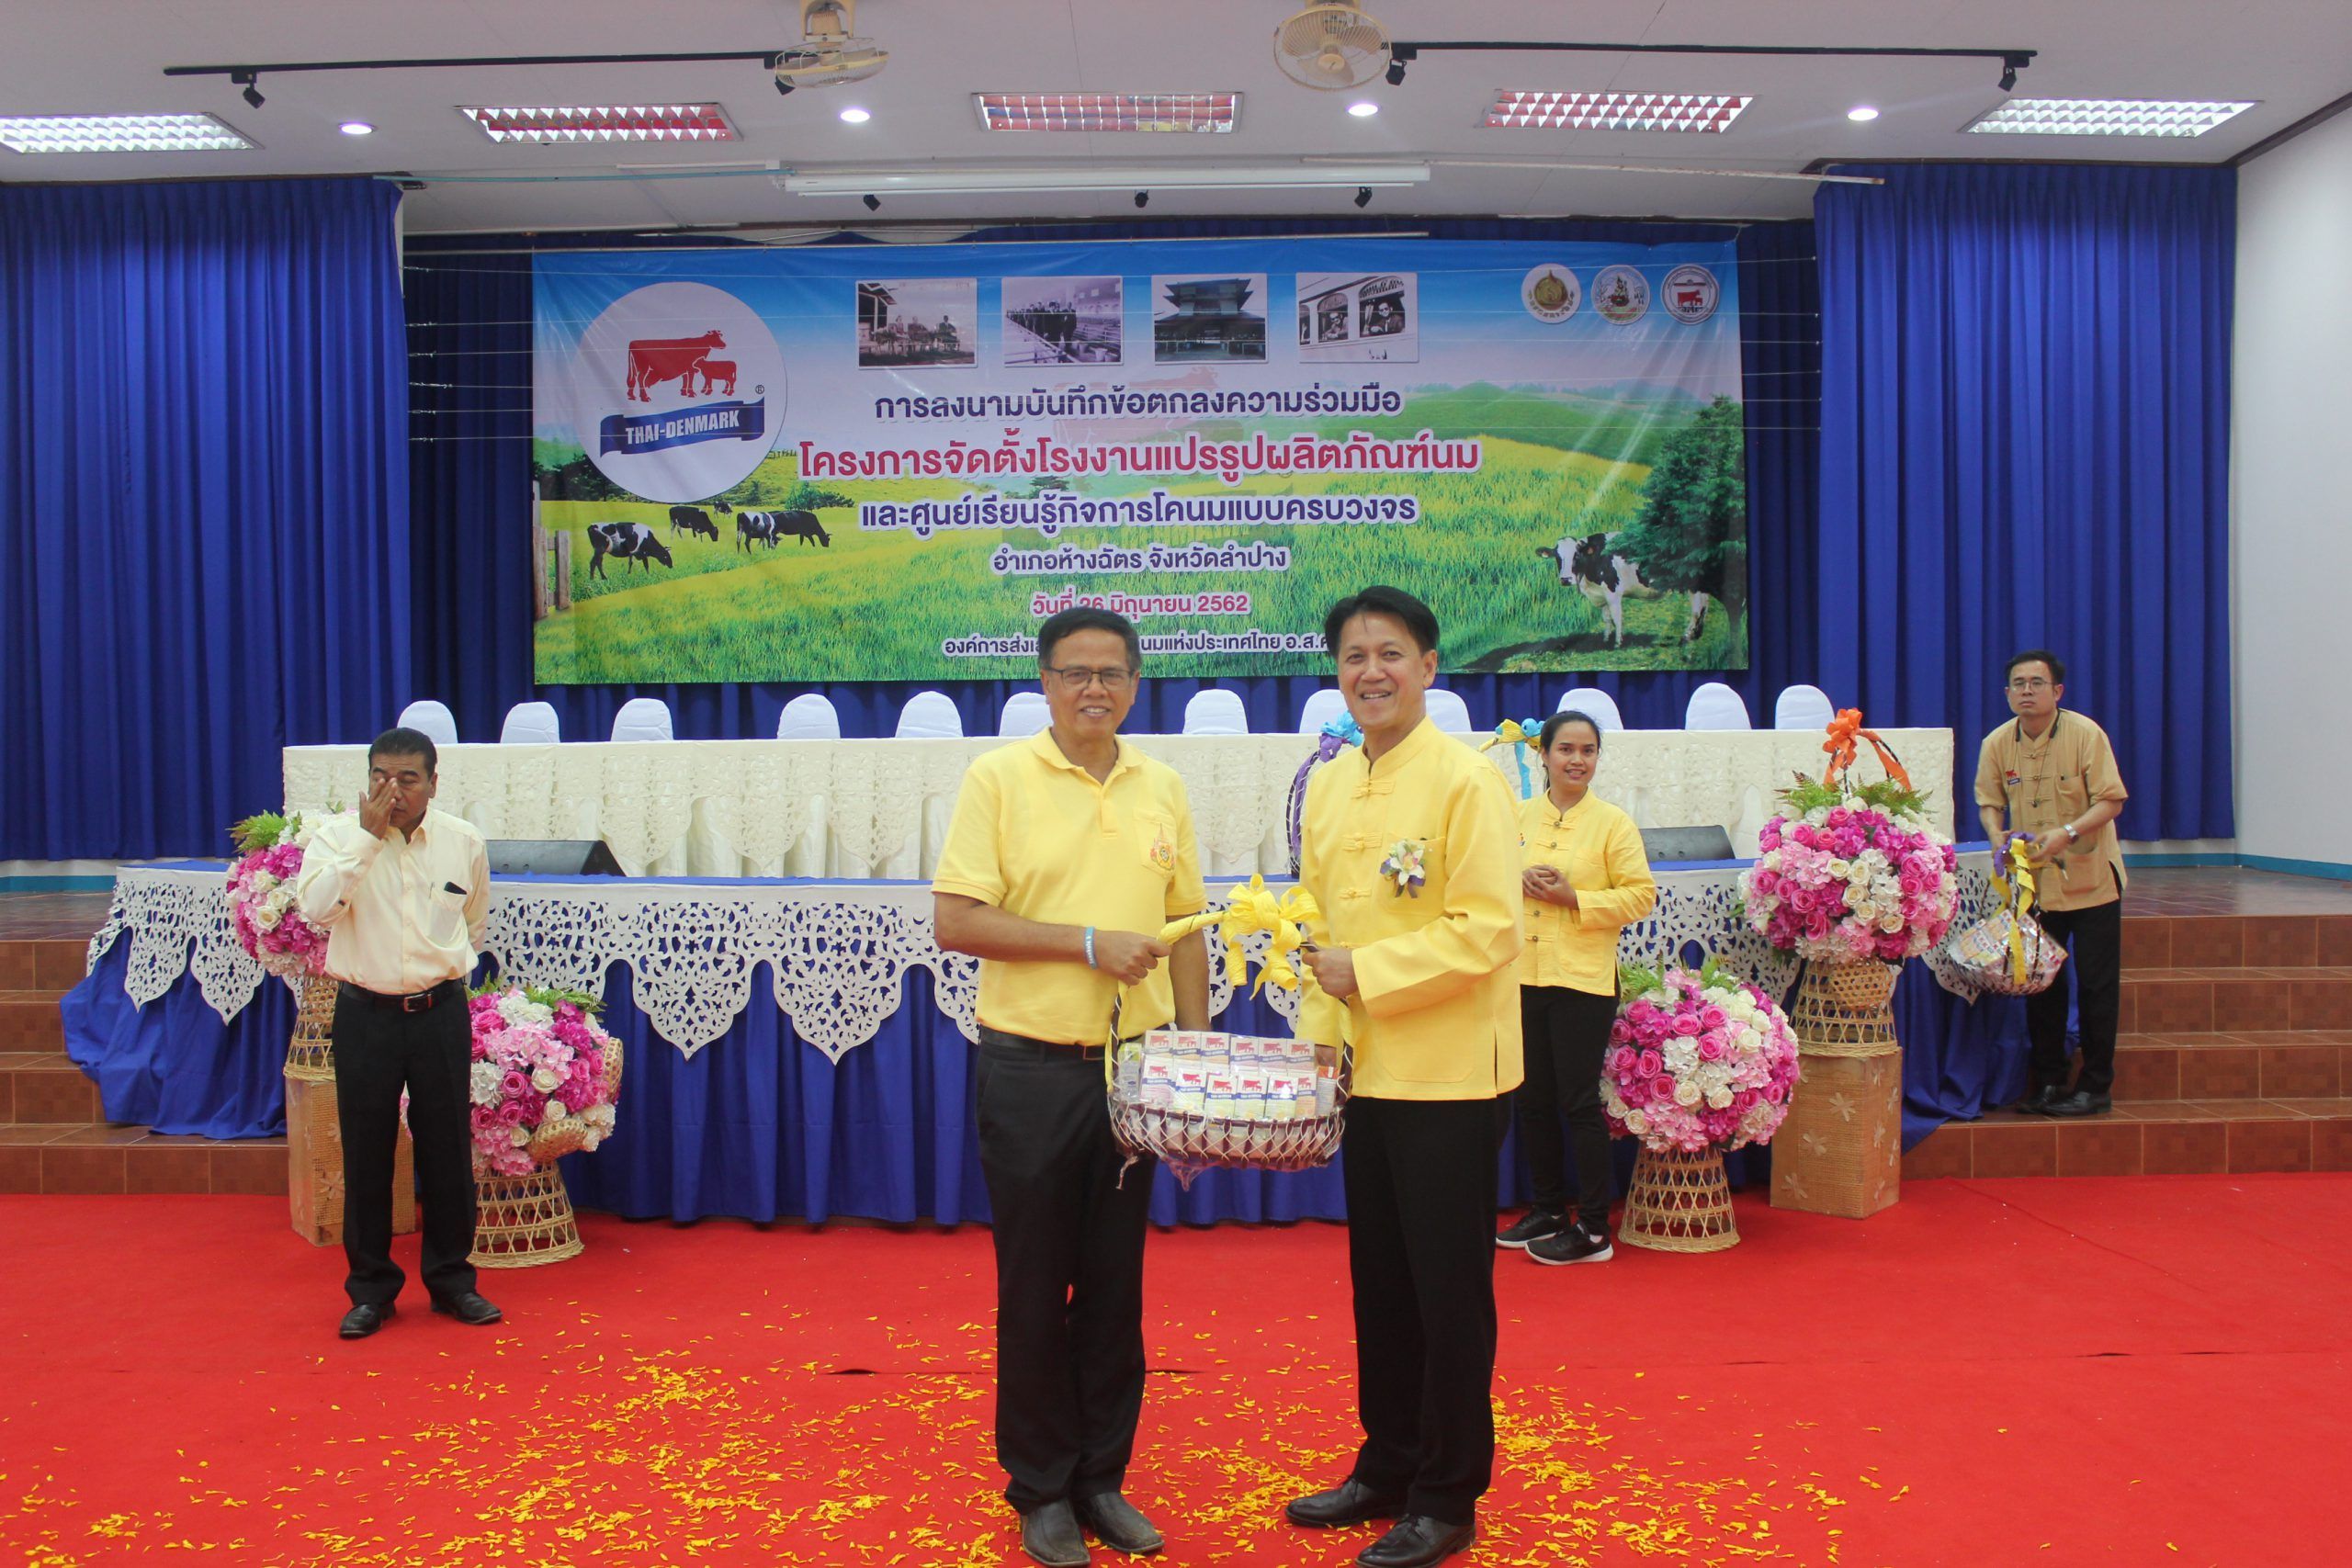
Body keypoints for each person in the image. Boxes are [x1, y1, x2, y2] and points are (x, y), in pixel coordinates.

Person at [933, 607, 1211, 1568]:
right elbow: (957, 920)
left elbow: (1186, 927)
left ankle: (1101, 1478)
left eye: (1111, 673)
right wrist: (1088, 944)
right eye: (1075, 672)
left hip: (1134, 1075)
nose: (1094, 688)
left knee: (1113, 1288)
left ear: (1135, 684)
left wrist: (1193, 1058)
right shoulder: (998, 778)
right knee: (1032, 1285)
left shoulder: (1161, 785)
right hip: (1032, 1068)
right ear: (1045, 683)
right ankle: (1041, 1488)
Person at [1284, 587, 1524, 1568]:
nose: (1370, 671)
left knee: (1446, 1293)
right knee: (1379, 1284)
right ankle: (1386, 1463)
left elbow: (1489, 928)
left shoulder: (1468, 781)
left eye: (1390, 653)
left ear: (1428, 666)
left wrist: (1369, 974)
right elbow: (1312, 923)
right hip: (1368, 1071)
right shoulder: (1333, 781)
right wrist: (1320, 1040)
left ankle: (1447, 1493)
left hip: (1452, 1077)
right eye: (1353, 656)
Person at [291, 727, 502, 1340]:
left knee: (446, 1149)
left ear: (433, 784)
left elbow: (472, 924)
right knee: (366, 1151)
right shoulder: (337, 839)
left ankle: (453, 1282)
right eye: (381, 777)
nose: (394, 791)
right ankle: (370, 1290)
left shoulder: (463, 841)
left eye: (408, 779)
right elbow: (317, 911)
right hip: (365, 1015)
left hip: (439, 1012)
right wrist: (366, 839)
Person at [1497, 710, 1656, 1265]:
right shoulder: (1516, 817)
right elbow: (1483, 878)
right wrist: (1513, 879)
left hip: (1582, 981)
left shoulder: (1613, 824)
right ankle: (1547, 1210)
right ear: (1542, 755)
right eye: (1565, 749)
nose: (1576, 760)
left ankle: (1592, 1229)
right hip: (1522, 975)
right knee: (1532, 1101)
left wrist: (1575, 899)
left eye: (1587, 751)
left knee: (1579, 1102)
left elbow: (1640, 896)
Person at [1974, 650, 2130, 1117]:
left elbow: (2112, 801)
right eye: (2018, 684)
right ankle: (2048, 1081)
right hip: (2035, 885)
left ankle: (2096, 1086)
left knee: (2097, 987)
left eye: (2037, 683)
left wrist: (2068, 832)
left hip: (2092, 879)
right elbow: (1988, 801)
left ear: (2057, 691)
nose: (2027, 691)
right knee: (2043, 987)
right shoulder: (1997, 743)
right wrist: (1995, 834)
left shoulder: (2085, 734)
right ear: (2007, 693)